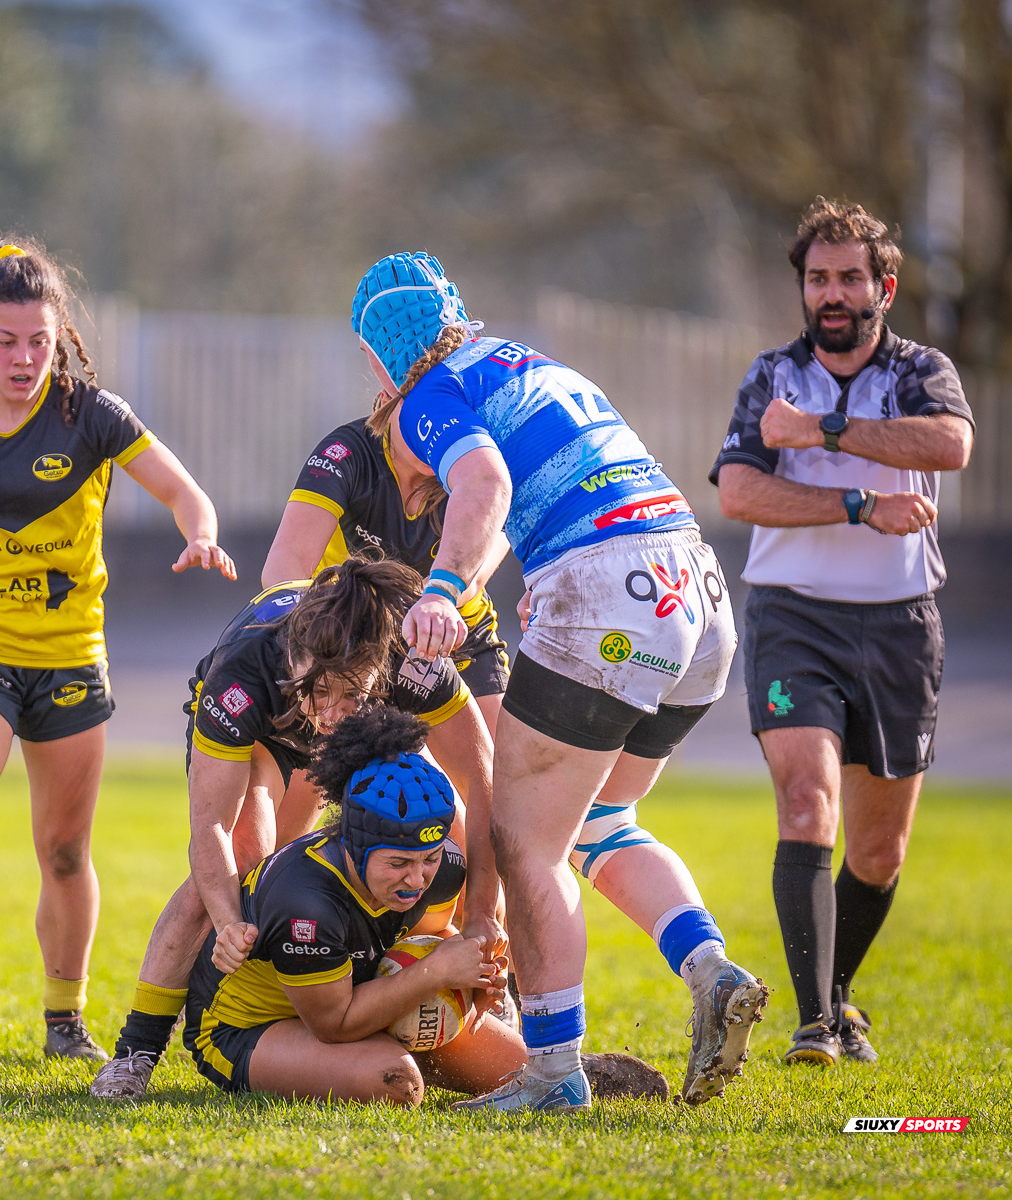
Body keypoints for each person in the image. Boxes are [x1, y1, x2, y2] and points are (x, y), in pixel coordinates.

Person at [361, 251, 767, 1113]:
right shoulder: (530, 364)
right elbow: (532, 495)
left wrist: (440, 590)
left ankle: (551, 1073)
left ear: (382, 356)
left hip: (609, 592)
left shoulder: (427, 392)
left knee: (524, 841)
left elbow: (485, 484)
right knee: (602, 820)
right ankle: (710, 968)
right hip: (697, 591)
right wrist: (492, 582)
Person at [0, 238, 235, 1062]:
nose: (25, 359)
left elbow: (183, 490)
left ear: (60, 336)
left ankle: (66, 1023)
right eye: (6, 341)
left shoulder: (92, 415)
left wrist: (200, 534)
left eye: (39, 340)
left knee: (65, 851)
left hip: (70, 654)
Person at [712, 199, 971, 1067]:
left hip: (902, 627)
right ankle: (816, 1024)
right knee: (806, 803)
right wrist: (859, 502)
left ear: (882, 289)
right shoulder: (771, 375)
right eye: (818, 278)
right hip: (794, 617)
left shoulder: (922, 369)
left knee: (880, 851)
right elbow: (740, 492)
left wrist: (823, 431)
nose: (831, 294)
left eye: (849, 278)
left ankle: (837, 997)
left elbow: (950, 444)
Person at [90, 555, 497, 1098]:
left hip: (367, 732)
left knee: (437, 829)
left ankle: (478, 994)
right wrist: (229, 923)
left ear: (379, 666)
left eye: (351, 694)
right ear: (294, 657)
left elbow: (483, 782)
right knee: (245, 859)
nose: (329, 713)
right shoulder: (243, 677)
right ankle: (136, 1051)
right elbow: (209, 826)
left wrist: (484, 916)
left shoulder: (411, 659)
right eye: (319, 691)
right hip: (266, 734)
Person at [181, 705, 521, 1104]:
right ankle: (377, 1053)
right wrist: (437, 971)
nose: (416, 880)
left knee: (518, 1070)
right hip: (247, 1027)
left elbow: (430, 938)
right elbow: (334, 1024)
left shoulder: (444, 871)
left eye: (429, 858)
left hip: (354, 996)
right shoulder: (305, 901)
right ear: (355, 847)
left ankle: (379, 1048)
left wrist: (473, 975)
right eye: (398, 863)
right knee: (395, 1083)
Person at [261, 402, 512, 734]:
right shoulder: (348, 451)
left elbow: (471, 580)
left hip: (447, 625)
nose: (433, 430)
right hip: (346, 625)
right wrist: (313, 640)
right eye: (422, 412)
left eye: (450, 418)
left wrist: (428, 607)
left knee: (505, 756)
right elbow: (284, 566)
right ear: (385, 402)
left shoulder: (483, 465)